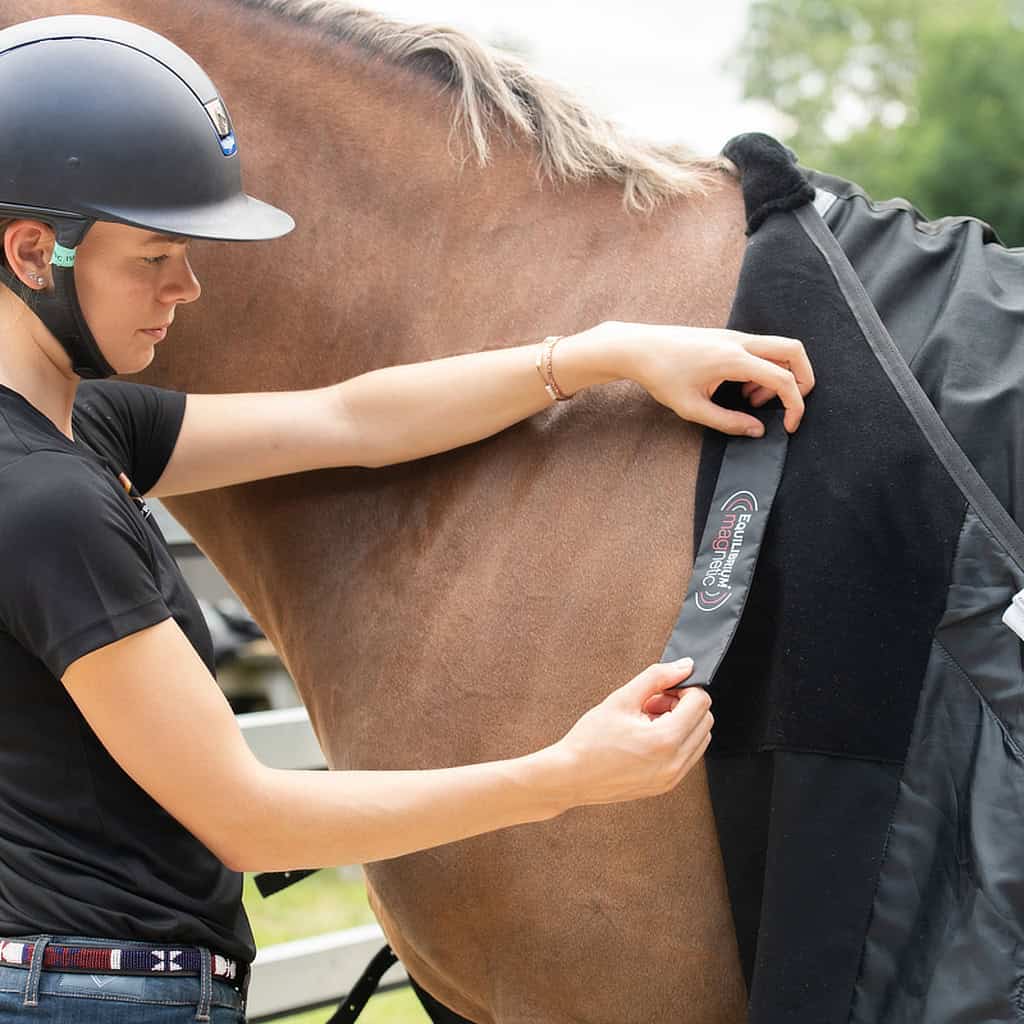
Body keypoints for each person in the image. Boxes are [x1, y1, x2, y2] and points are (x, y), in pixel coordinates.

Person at [0, 14, 814, 1023]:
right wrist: (566, 774)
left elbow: (353, 419)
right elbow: (251, 820)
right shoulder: (45, 498)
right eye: (156, 255)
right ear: (35, 252)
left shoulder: (89, 429)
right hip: (86, 997)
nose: (189, 287)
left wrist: (602, 354)